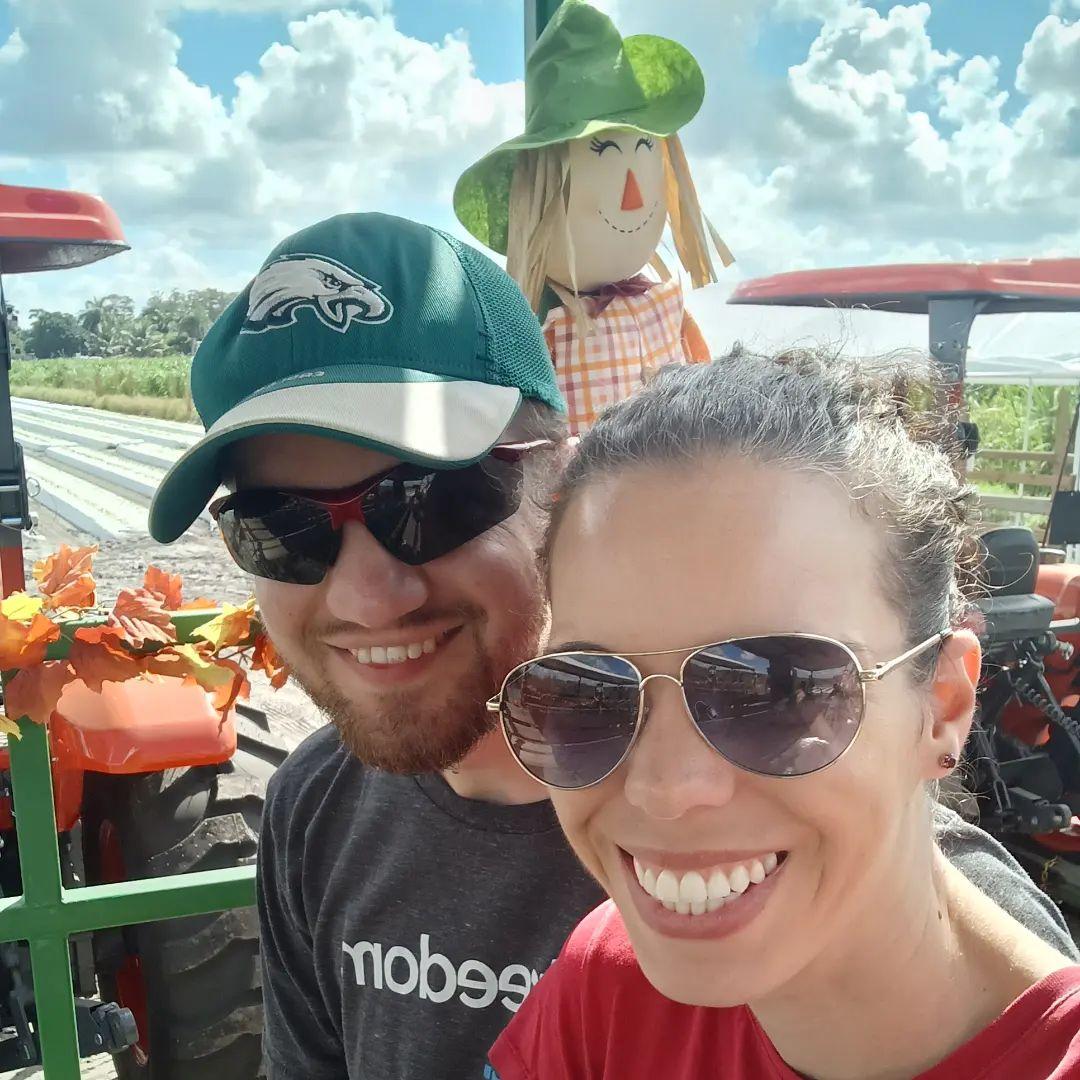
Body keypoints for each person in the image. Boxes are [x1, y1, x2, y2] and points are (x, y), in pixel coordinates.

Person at [147, 215, 1077, 1080]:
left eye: (779, 690)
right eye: (277, 527)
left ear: (562, 484)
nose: (365, 593)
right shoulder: (578, 963)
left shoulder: (866, 894)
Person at [487, 352, 1080, 1079]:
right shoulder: (604, 991)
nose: (664, 789)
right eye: (587, 694)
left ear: (943, 708)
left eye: (775, 692)